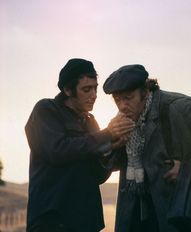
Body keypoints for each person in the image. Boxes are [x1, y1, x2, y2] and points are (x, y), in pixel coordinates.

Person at [102, 64, 191, 232]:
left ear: (145, 91)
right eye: (117, 100)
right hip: (139, 217)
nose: (122, 106)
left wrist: (188, 170)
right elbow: (114, 165)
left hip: (181, 215)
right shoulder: (123, 121)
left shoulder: (178, 106)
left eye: (128, 98)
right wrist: (111, 142)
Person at [25, 58, 135, 232]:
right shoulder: (46, 110)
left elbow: (98, 176)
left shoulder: (91, 123)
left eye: (95, 88)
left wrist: (114, 147)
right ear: (68, 90)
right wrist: (107, 134)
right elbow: (57, 150)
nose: (94, 95)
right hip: (52, 219)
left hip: (86, 222)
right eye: (86, 89)